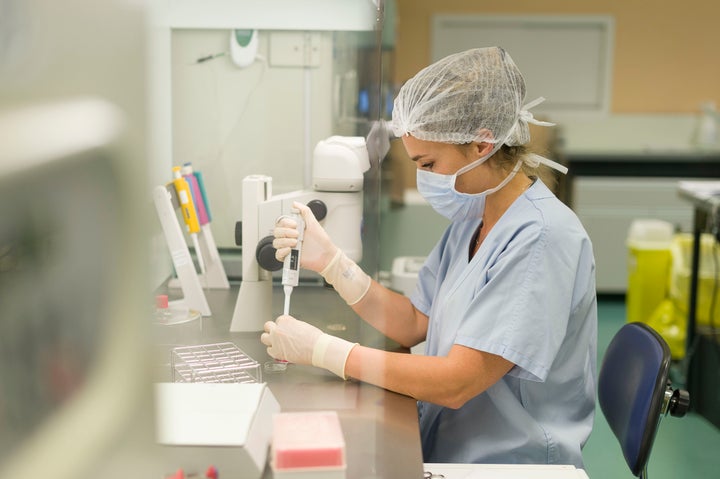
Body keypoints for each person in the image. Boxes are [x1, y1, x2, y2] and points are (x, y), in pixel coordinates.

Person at [262, 46, 597, 467]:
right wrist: (333, 264)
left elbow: (458, 381)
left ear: (481, 144)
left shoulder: (542, 239)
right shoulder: (475, 215)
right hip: (454, 442)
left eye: (429, 162)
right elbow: (416, 321)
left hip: (509, 463)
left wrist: (325, 351)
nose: (424, 178)